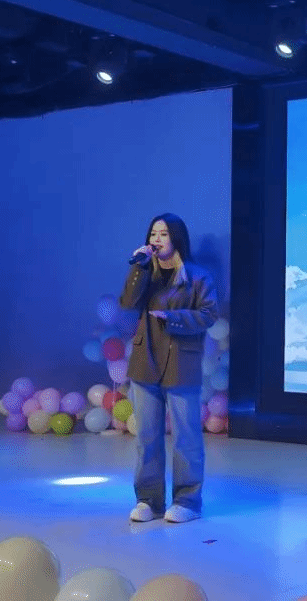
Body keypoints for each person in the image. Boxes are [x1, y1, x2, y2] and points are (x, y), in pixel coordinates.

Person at [121, 213, 219, 523]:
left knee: (186, 438)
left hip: (180, 363)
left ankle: (187, 501)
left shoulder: (197, 276)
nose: (157, 239)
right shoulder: (146, 272)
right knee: (147, 437)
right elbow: (127, 302)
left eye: (163, 234)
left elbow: (209, 314)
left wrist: (175, 319)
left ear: (176, 238)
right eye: (153, 233)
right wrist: (138, 267)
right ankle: (148, 500)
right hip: (145, 361)